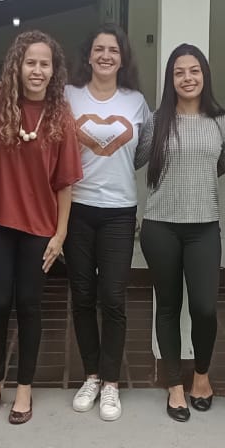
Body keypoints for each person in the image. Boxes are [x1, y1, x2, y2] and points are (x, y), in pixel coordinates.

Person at [0, 31, 82, 424]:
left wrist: (60, 234)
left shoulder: (61, 116)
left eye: (44, 63)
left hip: (40, 228)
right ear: (17, 66)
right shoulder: (0, 104)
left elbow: (65, 183)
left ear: (54, 71)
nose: (37, 70)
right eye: (30, 62)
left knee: (30, 306)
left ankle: (24, 389)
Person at [137, 43, 225, 423]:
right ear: (171, 79)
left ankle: (201, 376)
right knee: (167, 306)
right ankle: (174, 385)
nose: (187, 78)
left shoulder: (219, 120)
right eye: (179, 72)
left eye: (194, 70)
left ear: (204, 75)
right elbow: (133, 159)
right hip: (160, 226)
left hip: (203, 228)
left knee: (204, 307)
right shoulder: (155, 121)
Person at [65, 24, 150, 422]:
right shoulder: (68, 96)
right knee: (82, 296)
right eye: (98, 49)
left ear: (122, 57)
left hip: (119, 210)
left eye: (112, 50)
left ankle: (112, 382)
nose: (105, 56)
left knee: (113, 298)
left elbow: (143, 150)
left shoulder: (136, 101)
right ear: (88, 56)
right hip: (77, 208)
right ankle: (92, 375)